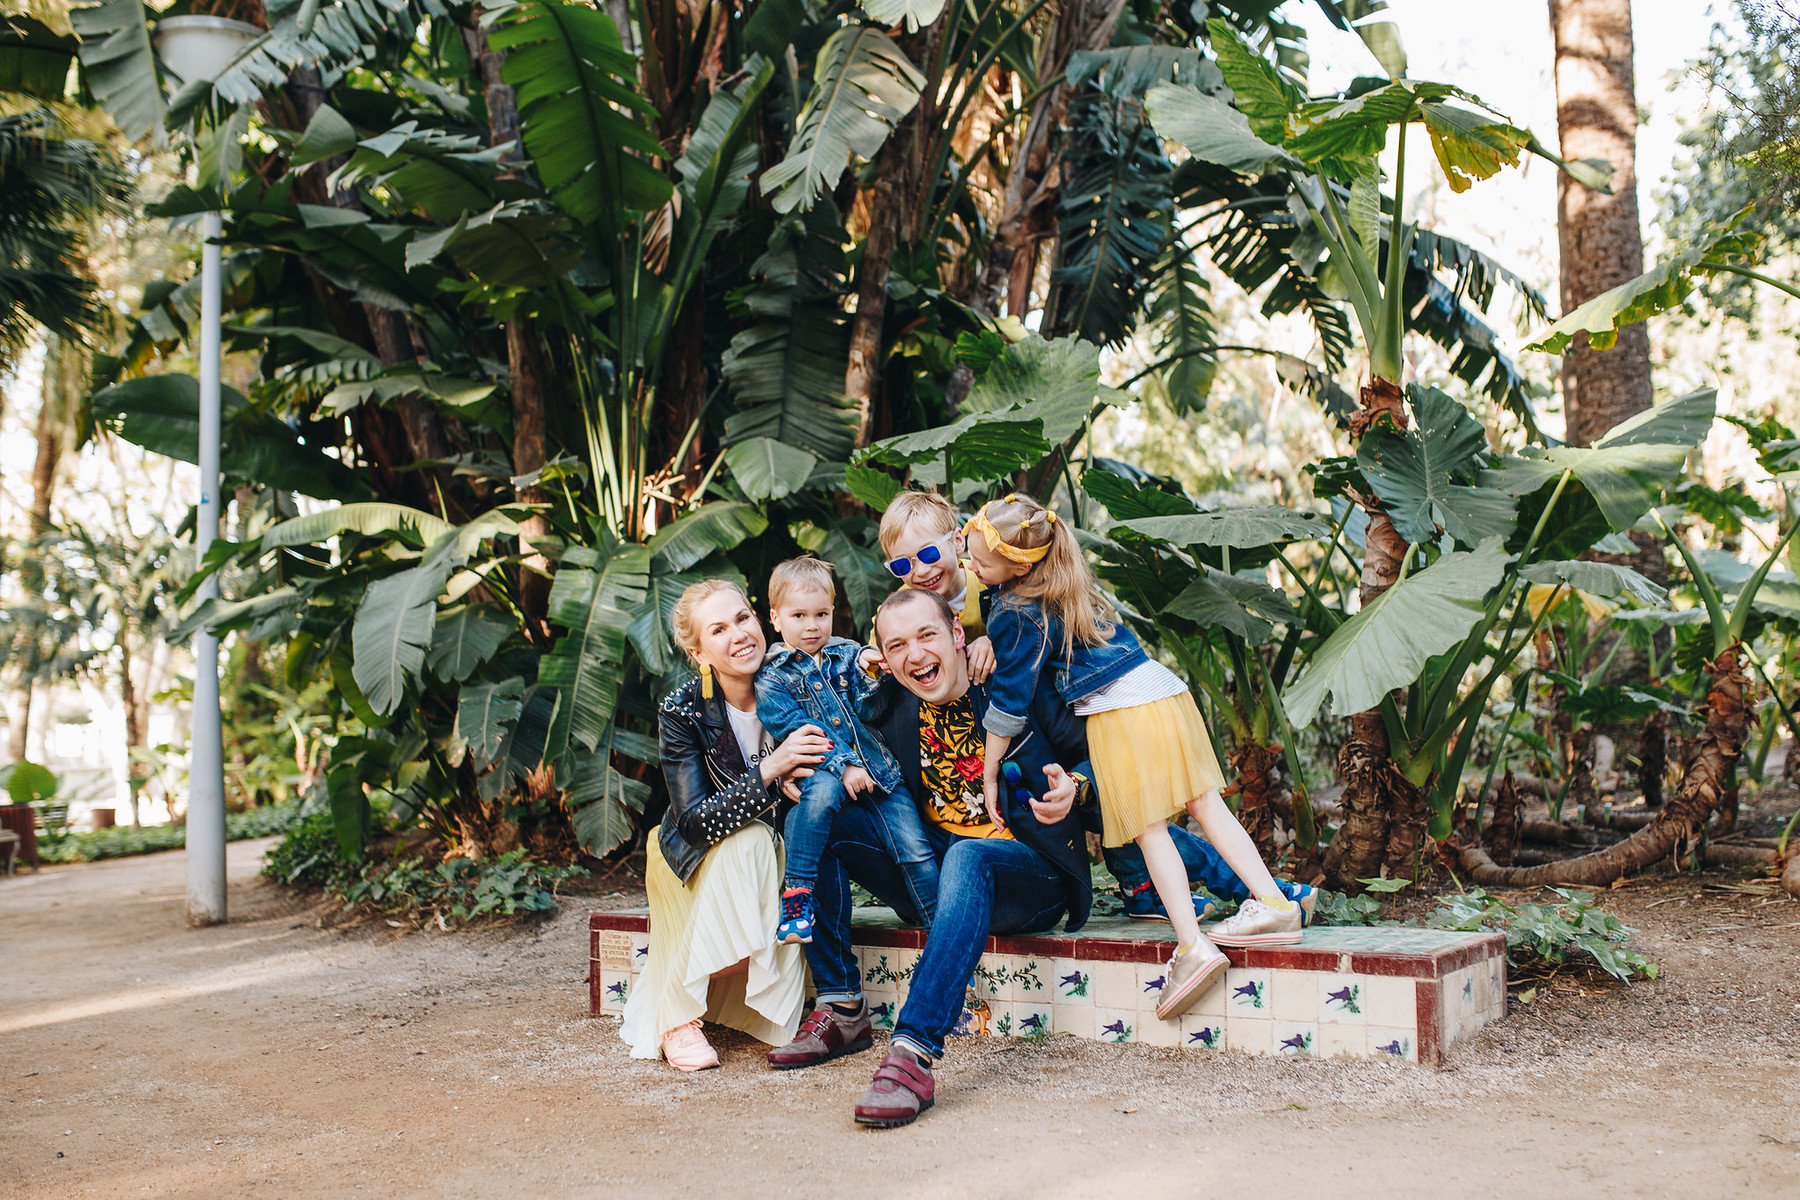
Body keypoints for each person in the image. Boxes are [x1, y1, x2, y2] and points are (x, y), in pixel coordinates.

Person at [966, 493, 1301, 1024]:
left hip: (1121, 711)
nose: (971, 569)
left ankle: (1192, 947)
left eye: (980, 564)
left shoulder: (1015, 610)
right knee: (1206, 806)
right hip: (1163, 690)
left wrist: (987, 773)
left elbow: (1010, 699)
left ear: (1015, 566)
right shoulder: (1068, 581)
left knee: (1149, 832)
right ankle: (1278, 906)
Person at [767, 587, 1096, 1126]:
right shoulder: (891, 706)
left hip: (1027, 874)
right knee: (813, 813)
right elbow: (821, 719)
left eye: (926, 636)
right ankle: (843, 1005)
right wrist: (789, 771)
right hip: (934, 876)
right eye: (897, 646)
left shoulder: (1011, 688)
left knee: (970, 855)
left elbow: (1101, 753)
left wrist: (1077, 787)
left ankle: (912, 1054)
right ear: (884, 660)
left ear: (957, 636)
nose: (915, 655)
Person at [619, 580, 827, 1072]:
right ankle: (677, 1016)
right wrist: (772, 771)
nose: (739, 634)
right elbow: (693, 823)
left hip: (779, 850)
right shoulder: (683, 710)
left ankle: (715, 994)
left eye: (743, 618)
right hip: (694, 855)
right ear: (699, 651)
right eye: (718, 629)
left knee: (770, 843)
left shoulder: (794, 679)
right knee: (751, 839)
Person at [755, 555, 937, 944]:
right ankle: (798, 894)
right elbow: (799, 729)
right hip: (826, 770)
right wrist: (847, 765)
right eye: (799, 616)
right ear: (775, 619)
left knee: (913, 848)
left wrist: (870, 673)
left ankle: (942, 923)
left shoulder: (848, 654)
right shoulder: (772, 676)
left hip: (881, 772)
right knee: (815, 803)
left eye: (821, 614)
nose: (811, 626)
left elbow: (870, 709)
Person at [877, 489, 995, 682]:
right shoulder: (899, 610)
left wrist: (996, 641)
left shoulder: (991, 585)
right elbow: (876, 647)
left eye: (929, 554)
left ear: (957, 541)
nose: (921, 571)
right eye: (902, 565)